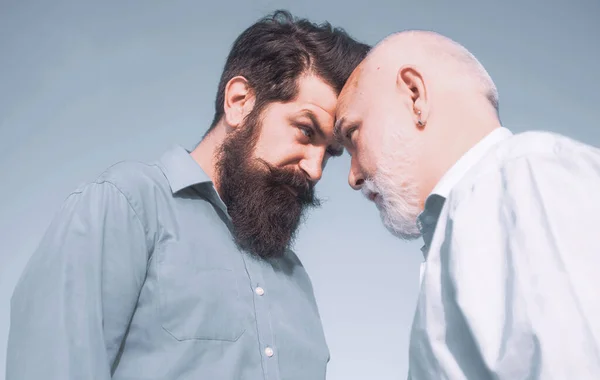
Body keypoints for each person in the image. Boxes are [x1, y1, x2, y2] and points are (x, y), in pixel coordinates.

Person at [6, 10, 369, 380]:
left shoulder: (294, 278)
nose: (315, 168)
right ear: (240, 101)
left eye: (330, 152)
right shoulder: (128, 206)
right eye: (306, 132)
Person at [334, 30, 600, 379]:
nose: (352, 177)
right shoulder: (476, 214)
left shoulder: (522, 180)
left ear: (415, 96)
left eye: (352, 135)